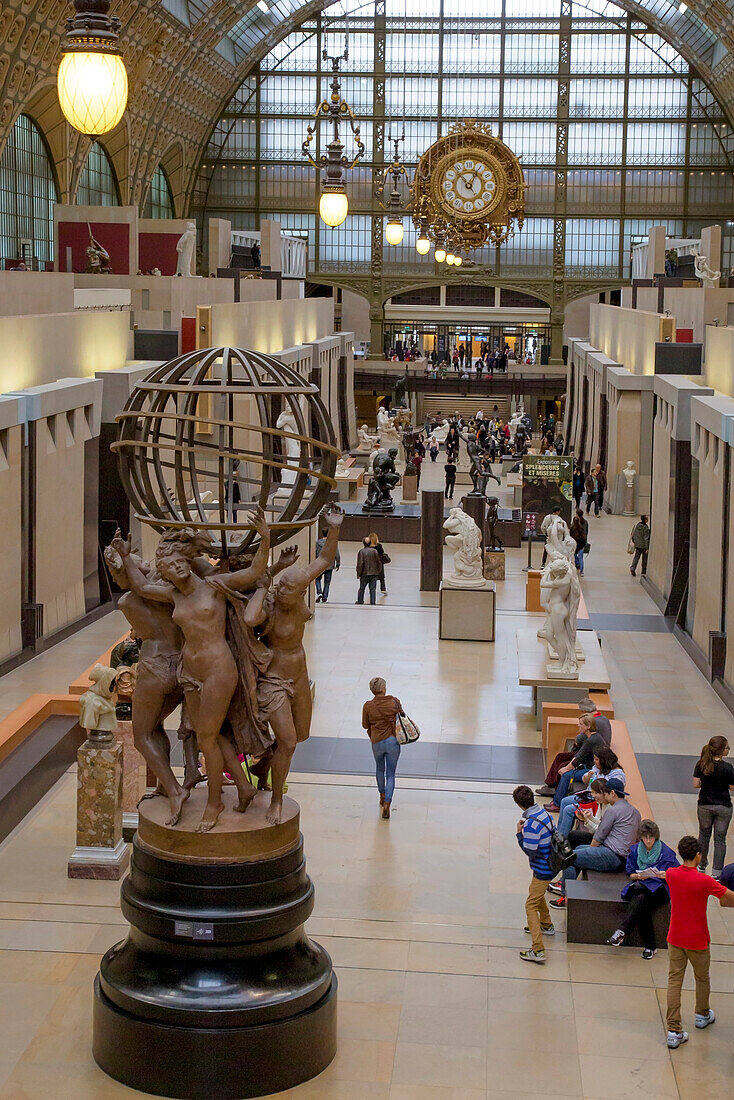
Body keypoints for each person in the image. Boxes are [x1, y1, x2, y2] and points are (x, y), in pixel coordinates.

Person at [664, 834, 734, 1048]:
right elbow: (727, 896)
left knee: (675, 980)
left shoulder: (671, 874)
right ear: (698, 855)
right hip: (698, 939)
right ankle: (702, 1014)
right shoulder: (704, 880)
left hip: (675, 936)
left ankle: (674, 1030)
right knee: (701, 978)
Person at [549, 779, 641, 908]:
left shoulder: (613, 810)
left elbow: (598, 837)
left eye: (606, 793)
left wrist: (590, 852)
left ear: (612, 793)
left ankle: (566, 897)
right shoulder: (635, 812)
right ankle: (572, 889)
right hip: (622, 858)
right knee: (580, 848)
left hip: (611, 856)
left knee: (569, 857)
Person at [607, 820, 678, 959]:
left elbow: (676, 873)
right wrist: (638, 876)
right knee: (642, 902)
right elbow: (630, 873)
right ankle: (649, 946)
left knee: (641, 897)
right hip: (642, 886)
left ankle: (622, 931)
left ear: (656, 837)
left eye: (651, 837)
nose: (648, 840)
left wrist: (665, 875)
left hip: (660, 889)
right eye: (645, 837)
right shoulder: (634, 851)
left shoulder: (667, 853)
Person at [513, 785, 556, 964]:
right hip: (551, 865)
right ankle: (546, 924)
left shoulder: (531, 824)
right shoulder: (544, 814)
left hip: (543, 868)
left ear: (519, 805)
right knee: (536, 894)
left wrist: (519, 834)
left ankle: (537, 949)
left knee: (530, 905)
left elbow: (530, 850)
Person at [545, 699, 612, 812]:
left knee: (565, 772)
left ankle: (557, 801)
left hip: (591, 765)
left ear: (588, 725)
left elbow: (579, 757)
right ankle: (553, 787)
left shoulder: (591, 739)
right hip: (592, 760)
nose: (578, 726)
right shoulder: (601, 723)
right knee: (563, 761)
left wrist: (565, 769)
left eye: (580, 724)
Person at [556, 745, 625, 837]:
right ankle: (558, 834)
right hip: (588, 796)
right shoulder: (598, 767)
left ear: (604, 760)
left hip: (598, 802)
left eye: (596, 759)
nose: (594, 761)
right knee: (564, 801)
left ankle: (562, 839)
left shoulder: (617, 775)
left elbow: (610, 796)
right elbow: (584, 779)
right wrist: (588, 776)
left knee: (568, 810)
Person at [693, 734, 734, 878]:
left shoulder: (702, 764)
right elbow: (732, 787)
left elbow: (695, 784)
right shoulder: (728, 768)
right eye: (727, 747)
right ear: (722, 750)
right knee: (720, 839)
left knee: (703, 836)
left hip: (704, 805)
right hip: (723, 806)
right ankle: (717, 872)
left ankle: (701, 865)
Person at [362, 677, 403, 818]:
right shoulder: (394, 702)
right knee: (390, 774)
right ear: (384, 689)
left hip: (376, 742)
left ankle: (382, 795)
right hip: (392, 742)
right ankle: (387, 803)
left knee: (380, 769)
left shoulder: (368, 706)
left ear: (372, 691)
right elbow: (402, 717)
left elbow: (365, 725)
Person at [315, 525, 340, 603]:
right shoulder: (333, 543)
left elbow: (315, 553)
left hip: (319, 564)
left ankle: (319, 592)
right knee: (327, 582)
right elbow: (337, 554)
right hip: (329, 564)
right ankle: (325, 597)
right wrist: (338, 563)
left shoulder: (317, 543)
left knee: (317, 579)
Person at [356, 536, 382, 605]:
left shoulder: (361, 552)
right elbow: (378, 562)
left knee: (362, 588)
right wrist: (378, 571)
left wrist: (358, 574)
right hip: (374, 573)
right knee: (373, 589)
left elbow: (360, 564)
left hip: (364, 574)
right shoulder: (374, 551)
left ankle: (360, 601)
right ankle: (372, 602)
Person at [369, 531, 389, 596]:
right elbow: (382, 552)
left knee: (371, 578)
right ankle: (383, 589)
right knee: (382, 578)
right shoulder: (379, 547)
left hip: (371, 565)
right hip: (379, 565)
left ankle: (372, 590)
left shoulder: (368, 547)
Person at [569, 509, 588, 576]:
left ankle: (576, 564)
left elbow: (570, 535)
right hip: (582, 543)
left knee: (574, 555)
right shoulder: (585, 523)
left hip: (574, 543)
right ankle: (581, 571)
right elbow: (586, 533)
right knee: (581, 557)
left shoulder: (572, 527)